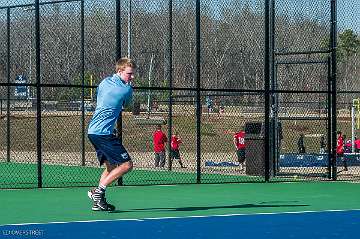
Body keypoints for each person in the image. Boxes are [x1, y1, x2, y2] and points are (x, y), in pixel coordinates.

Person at [87, 57, 136, 211]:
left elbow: (101, 97)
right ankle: (98, 192)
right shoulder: (126, 89)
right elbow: (127, 105)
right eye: (129, 74)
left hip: (93, 131)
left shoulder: (103, 82)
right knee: (127, 165)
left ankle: (98, 203)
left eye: (133, 74)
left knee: (111, 168)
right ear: (119, 71)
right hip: (103, 134)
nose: (132, 77)